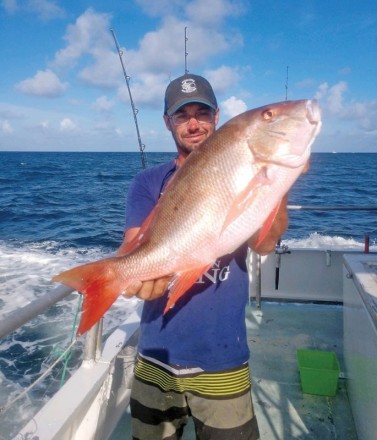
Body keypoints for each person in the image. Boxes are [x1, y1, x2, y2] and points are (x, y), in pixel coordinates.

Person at [117, 73, 288, 440]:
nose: (193, 123)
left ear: (217, 116)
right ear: (168, 122)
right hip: (156, 356)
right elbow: (132, 248)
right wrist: (128, 276)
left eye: (202, 112)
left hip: (222, 359)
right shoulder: (147, 182)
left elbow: (263, 244)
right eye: (182, 115)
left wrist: (278, 182)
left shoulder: (245, 171)